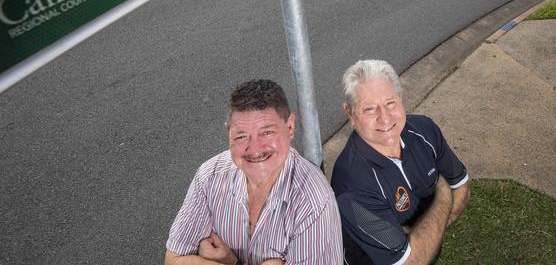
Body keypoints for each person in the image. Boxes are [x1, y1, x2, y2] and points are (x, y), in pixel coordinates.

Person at [165, 79, 343, 265]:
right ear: (229, 133)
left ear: (290, 127)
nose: (255, 150)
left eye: (267, 133)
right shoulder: (210, 176)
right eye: (241, 136)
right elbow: (173, 259)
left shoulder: (314, 203)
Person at [331, 60, 470, 265]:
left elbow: (462, 187)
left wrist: (423, 237)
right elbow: (411, 261)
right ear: (350, 113)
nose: (385, 118)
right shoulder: (351, 185)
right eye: (369, 109)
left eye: (390, 103)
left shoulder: (424, 130)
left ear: (401, 99)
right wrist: (443, 194)